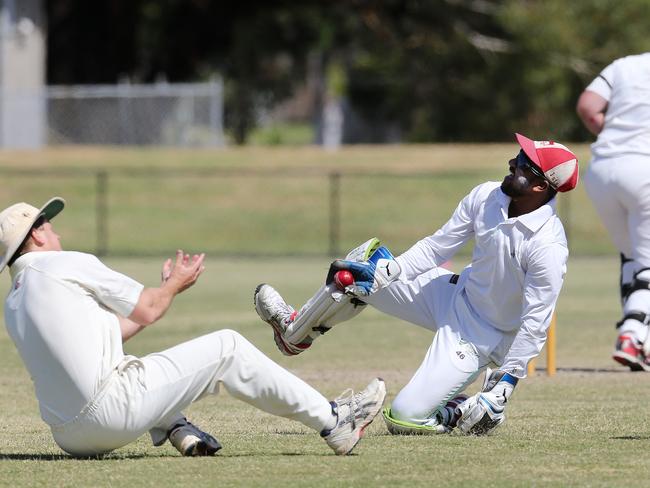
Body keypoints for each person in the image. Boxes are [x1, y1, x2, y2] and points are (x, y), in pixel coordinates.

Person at [0, 197, 386, 457]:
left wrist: (169, 290)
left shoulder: (13, 301)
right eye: (50, 227)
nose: (57, 234)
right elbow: (148, 310)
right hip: (111, 416)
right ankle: (335, 422)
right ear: (36, 234)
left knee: (132, 366)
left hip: (68, 436)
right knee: (228, 347)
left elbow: (109, 337)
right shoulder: (64, 264)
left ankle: (178, 429)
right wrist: (171, 286)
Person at [255, 133, 579, 435]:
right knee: (360, 270)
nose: (512, 162)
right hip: (453, 294)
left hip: (484, 337)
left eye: (523, 163)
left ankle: (458, 411)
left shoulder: (547, 246)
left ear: (540, 186)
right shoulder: (486, 196)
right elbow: (437, 247)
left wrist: (505, 385)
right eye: (519, 154)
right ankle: (295, 334)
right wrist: (388, 273)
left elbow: (536, 321)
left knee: (403, 418)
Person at [576, 52, 650, 371]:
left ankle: (641, 345)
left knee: (633, 257)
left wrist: (616, 135)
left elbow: (587, 107)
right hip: (645, 169)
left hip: (602, 170)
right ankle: (632, 334)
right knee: (647, 264)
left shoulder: (624, 65)